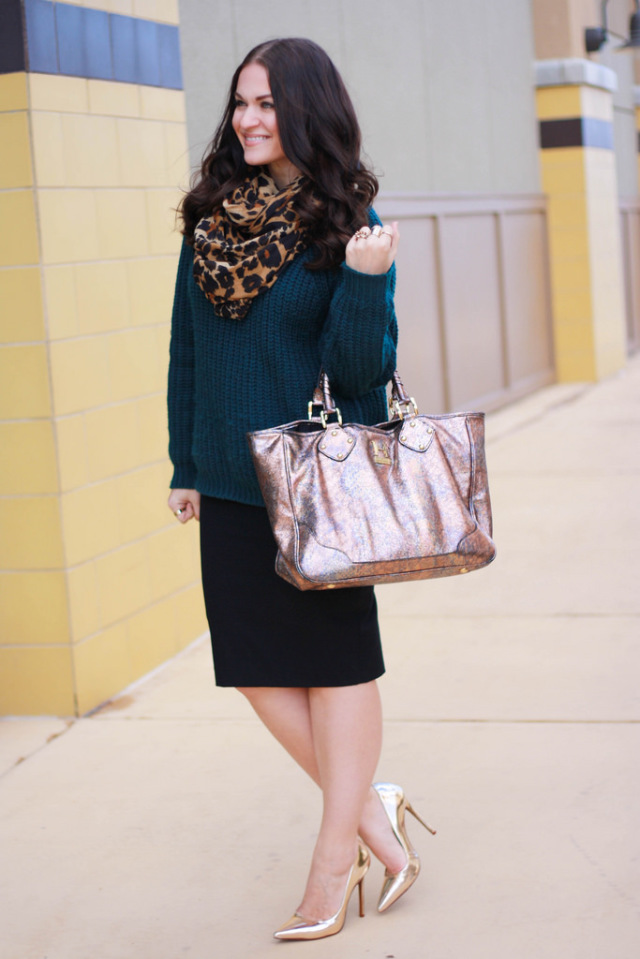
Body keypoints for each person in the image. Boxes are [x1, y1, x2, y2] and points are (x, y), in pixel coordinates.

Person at [166, 37, 434, 941]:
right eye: (241, 101)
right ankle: (370, 807)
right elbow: (187, 353)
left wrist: (366, 283)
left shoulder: (346, 224)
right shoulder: (210, 220)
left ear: (307, 111)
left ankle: (335, 857)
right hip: (229, 479)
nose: (247, 119)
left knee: (335, 665)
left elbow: (362, 376)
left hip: (318, 483)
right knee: (251, 667)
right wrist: (183, 462)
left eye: (269, 105)